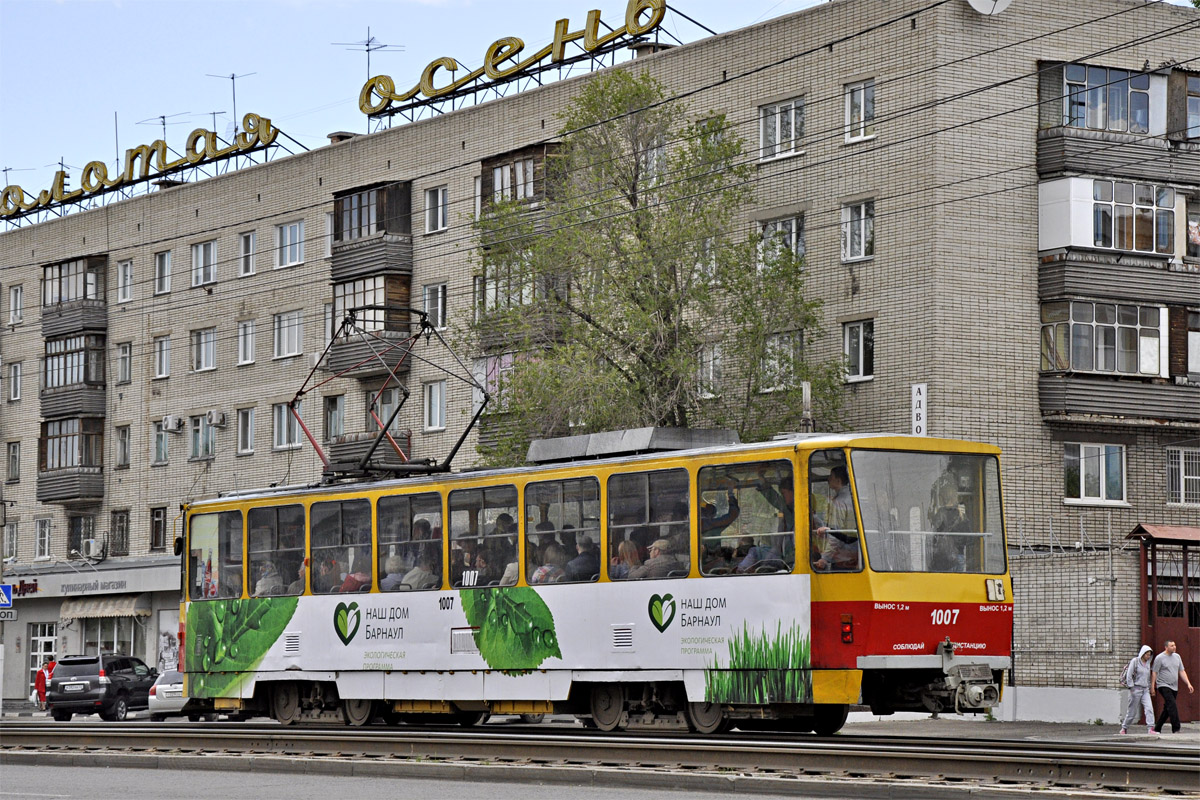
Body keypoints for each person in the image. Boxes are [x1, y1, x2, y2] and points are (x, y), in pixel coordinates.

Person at [813, 466, 859, 571]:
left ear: (838, 481)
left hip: (842, 558)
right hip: (855, 554)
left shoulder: (839, 502)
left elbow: (835, 534)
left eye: (831, 477)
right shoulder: (854, 498)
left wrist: (825, 558)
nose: (828, 479)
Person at [1151, 640, 1194, 734]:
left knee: (1168, 707)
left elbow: (1181, 671)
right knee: (1172, 705)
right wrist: (1152, 686)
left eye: (1174, 645)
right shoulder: (1160, 658)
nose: (1174, 647)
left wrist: (1188, 683)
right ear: (1166, 647)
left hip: (1174, 686)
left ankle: (1157, 728)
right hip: (1163, 685)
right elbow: (1154, 672)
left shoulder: (1177, 657)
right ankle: (1176, 728)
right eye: (1171, 646)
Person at [1120, 645, 1156, 734]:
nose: (1148, 656)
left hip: (1145, 690)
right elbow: (1129, 675)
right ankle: (1124, 728)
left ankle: (1150, 728)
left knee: (1149, 708)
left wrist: (1149, 687)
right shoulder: (1135, 661)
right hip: (1135, 689)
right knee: (1132, 711)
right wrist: (1131, 687)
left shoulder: (1148, 664)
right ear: (1142, 654)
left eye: (1149, 655)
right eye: (1147, 654)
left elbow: (1148, 676)